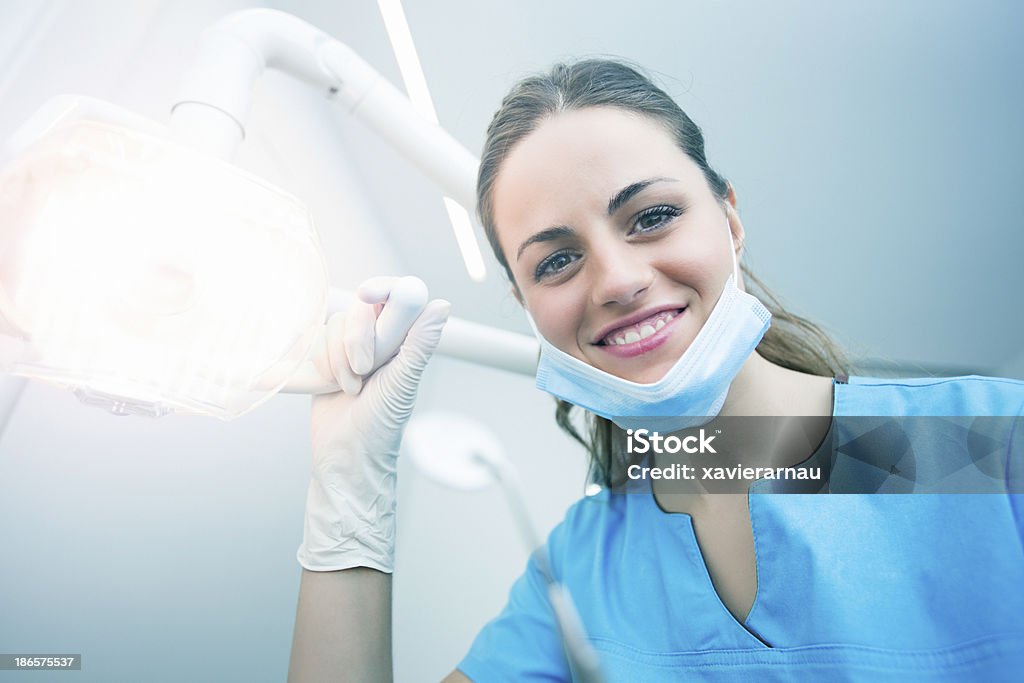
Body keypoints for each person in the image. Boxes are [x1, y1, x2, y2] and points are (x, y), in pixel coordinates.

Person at [287, 60, 1024, 682]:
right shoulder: (581, 569)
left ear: (729, 220)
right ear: (527, 305)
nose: (616, 279)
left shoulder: (986, 443)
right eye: (557, 260)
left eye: (650, 215)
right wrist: (349, 487)